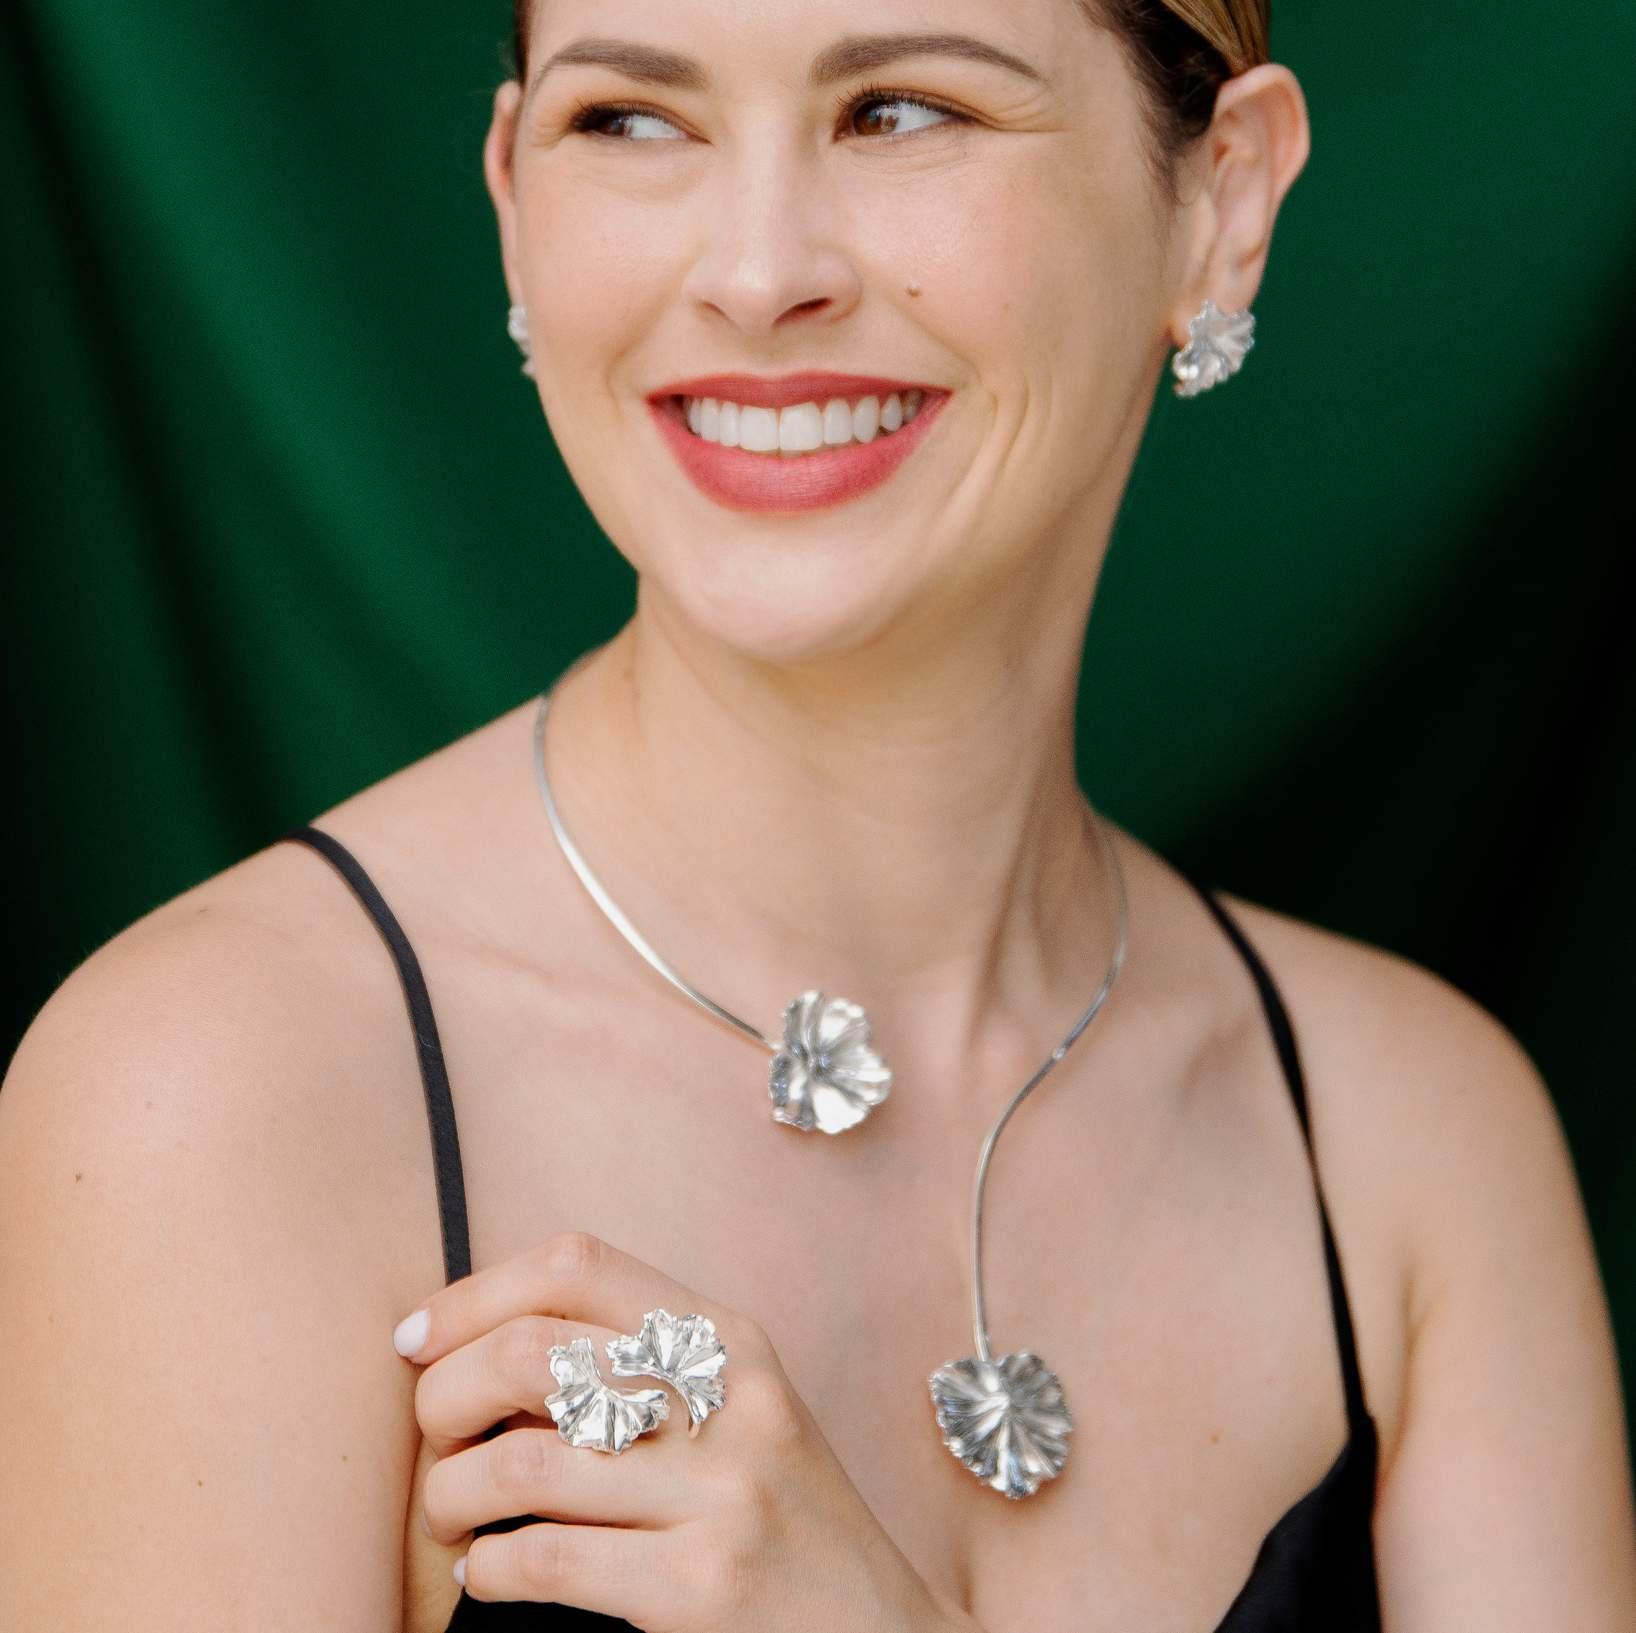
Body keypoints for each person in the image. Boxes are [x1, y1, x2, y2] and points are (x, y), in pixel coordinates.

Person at [3, 0, 1634, 1627]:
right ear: (512, 201)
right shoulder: (212, 1097)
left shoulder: (1416, 1153)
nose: (756, 270)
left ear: (1223, 198)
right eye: (631, 120)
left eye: (901, 110)